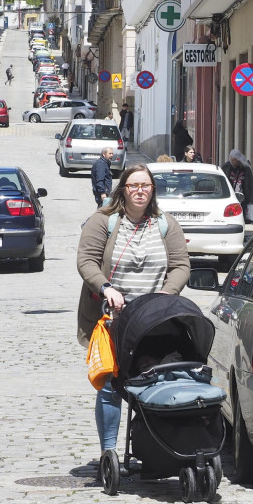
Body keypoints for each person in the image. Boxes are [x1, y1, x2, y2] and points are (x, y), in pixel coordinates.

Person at [76, 165, 191, 474]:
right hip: (114, 319)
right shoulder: (104, 221)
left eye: (146, 186)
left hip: (154, 321)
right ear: (122, 190)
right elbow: (86, 260)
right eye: (133, 186)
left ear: (152, 191)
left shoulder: (165, 224)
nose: (140, 191)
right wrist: (106, 288)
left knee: (155, 383)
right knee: (112, 385)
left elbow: (181, 265)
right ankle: (109, 453)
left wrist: (168, 294)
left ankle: (153, 447)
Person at [223, 149, 253, 223]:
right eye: (234, 160)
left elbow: (250, 183)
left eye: (236, 160)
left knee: (242, 216)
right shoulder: (226, 168)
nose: (235, 161)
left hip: (243, 197)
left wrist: (251, 199)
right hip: (230, 197)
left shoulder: (245, 168)